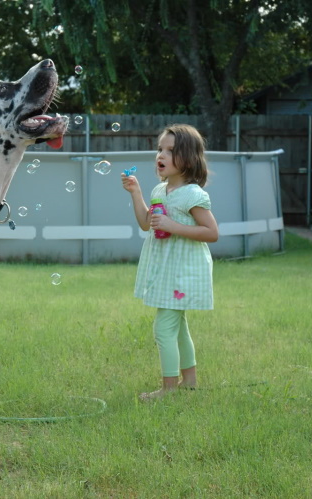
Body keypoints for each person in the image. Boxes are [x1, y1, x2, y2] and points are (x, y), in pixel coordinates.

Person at [121, 124, 218, 400]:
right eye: (159, 149)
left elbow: (212, 233)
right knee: (178, 327)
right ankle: (189, 381)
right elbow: (145, 224)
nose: (160, 155)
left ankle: (169, 388)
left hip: (184, 271)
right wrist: (136, 193)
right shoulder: (159, 190)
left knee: (164, 328)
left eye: (170, 151)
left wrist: (172, 225)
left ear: (188, 158)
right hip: (167, 270)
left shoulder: (193, 194)